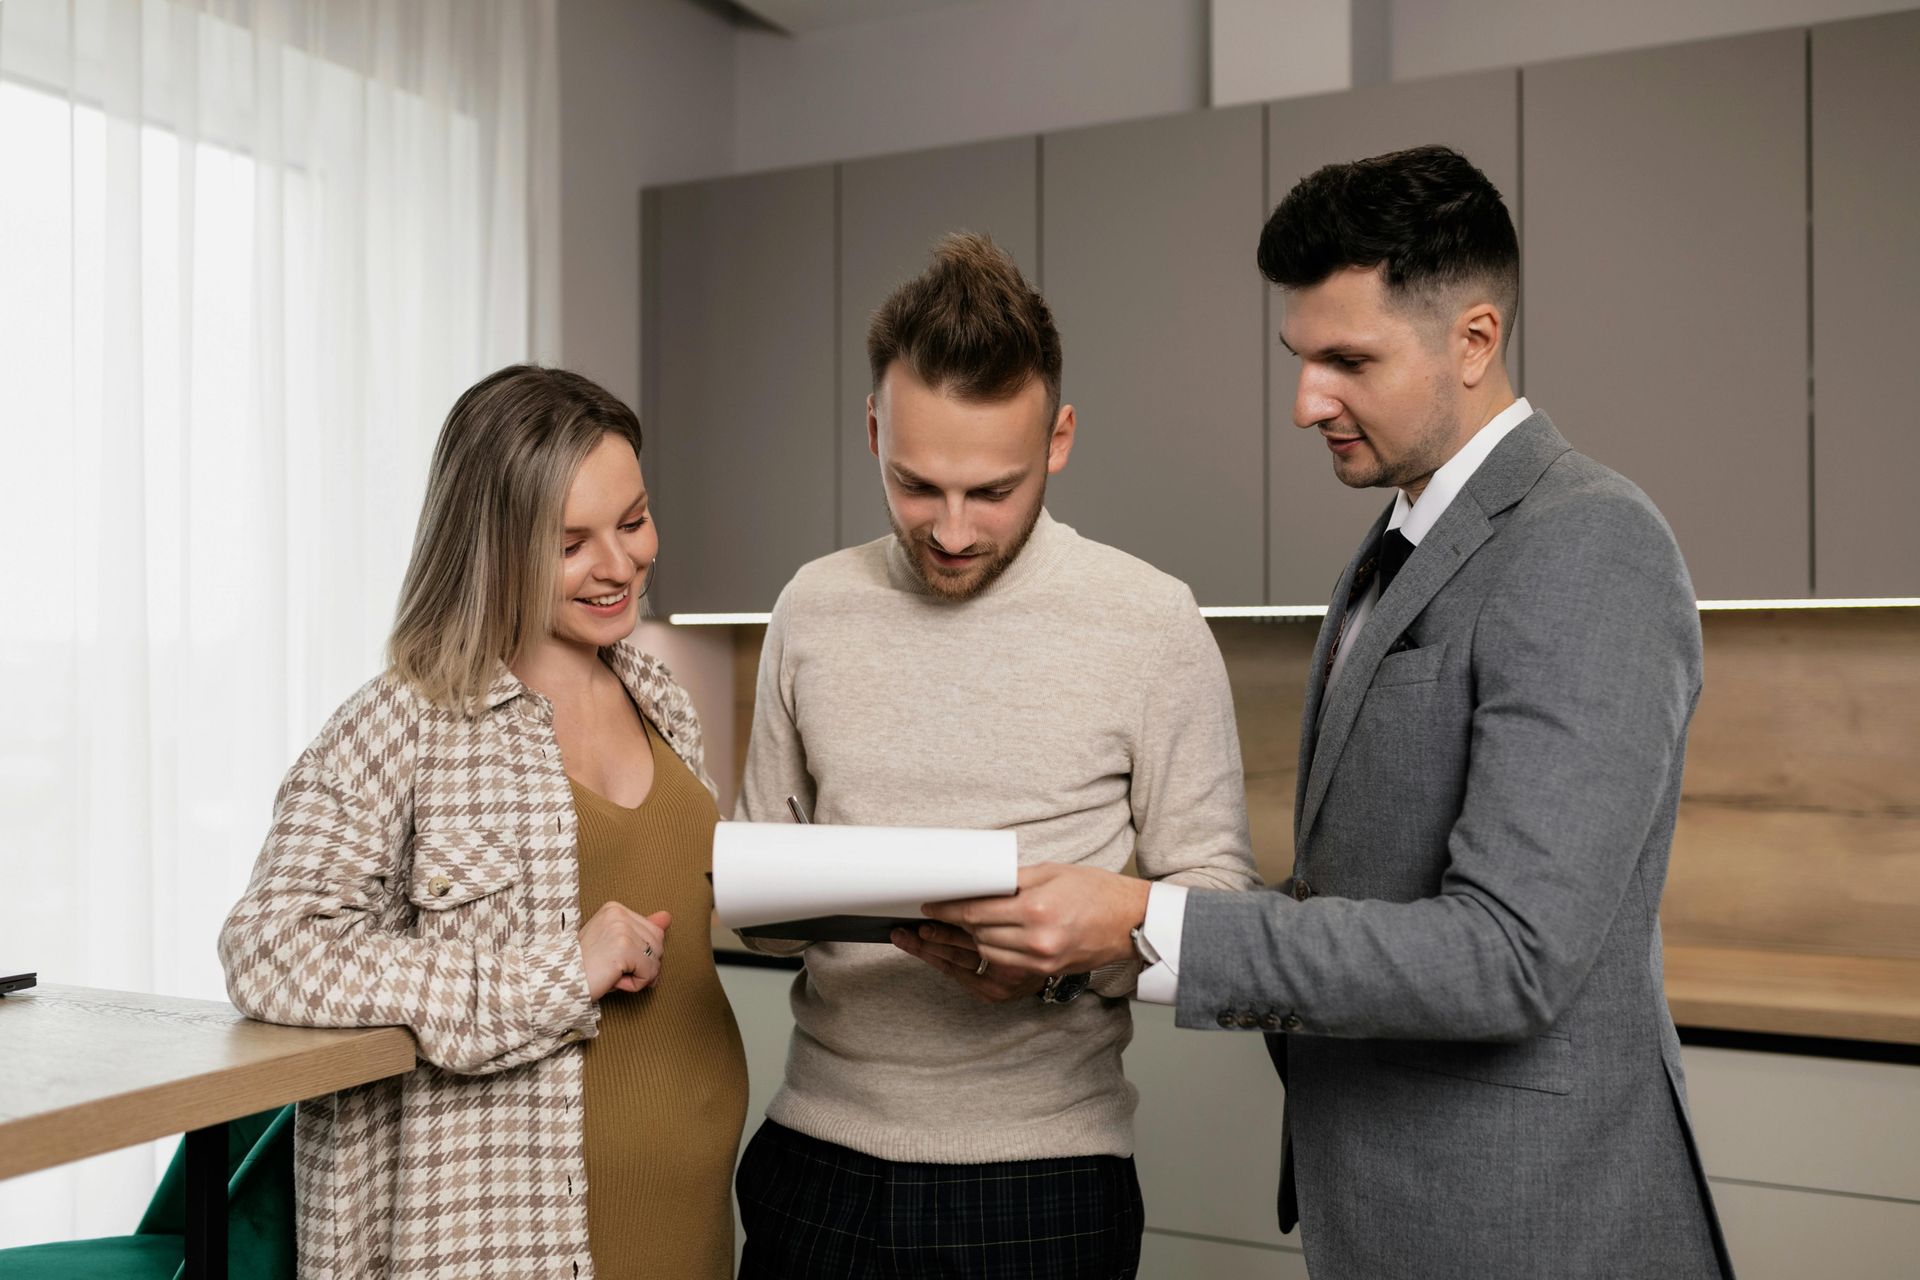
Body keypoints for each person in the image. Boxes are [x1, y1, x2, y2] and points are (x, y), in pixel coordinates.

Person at [926, 146, 1735, 1279]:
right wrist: (1090, 940)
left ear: (1475, 340)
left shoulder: (1588, 543)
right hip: (1408, 1209)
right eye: (1301, 358)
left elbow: (1509, 954)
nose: (1308, 401)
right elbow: (1358, 891)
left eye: (1349, 359)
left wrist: (1149, 921)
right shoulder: (1404, 540)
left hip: (1536, 1224)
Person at [731, 231, 1260, 1279]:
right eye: (917, 485)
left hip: (1043, 1180)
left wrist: (1067, 957)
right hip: (814, 1157)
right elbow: (761, 897)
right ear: (873, 427)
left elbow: (1226, 915)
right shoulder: (810, 606)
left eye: (994, 490)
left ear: (1058, 439)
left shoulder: (1151, 620)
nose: (956, 530)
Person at [218, 365, 747, 1280]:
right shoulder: (400, 725)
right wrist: (553, 975)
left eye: (632, 521)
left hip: (695, 1221)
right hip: (507, 1240)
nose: (620, 564)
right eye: (571, 542)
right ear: (491, 545)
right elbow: (269, 948)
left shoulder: (661, 693)